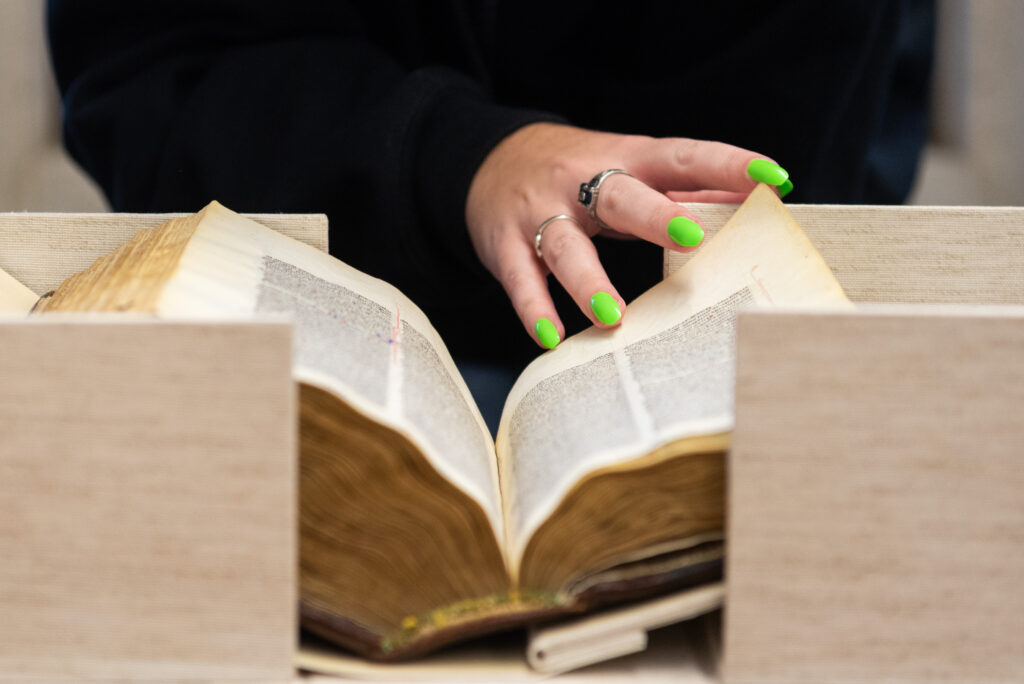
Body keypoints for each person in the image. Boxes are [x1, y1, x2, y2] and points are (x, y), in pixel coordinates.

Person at [47, 0, 933, 426]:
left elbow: (774, 149)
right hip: (318, 285)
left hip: (679, 336)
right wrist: (463, 158)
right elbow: (143, 71)